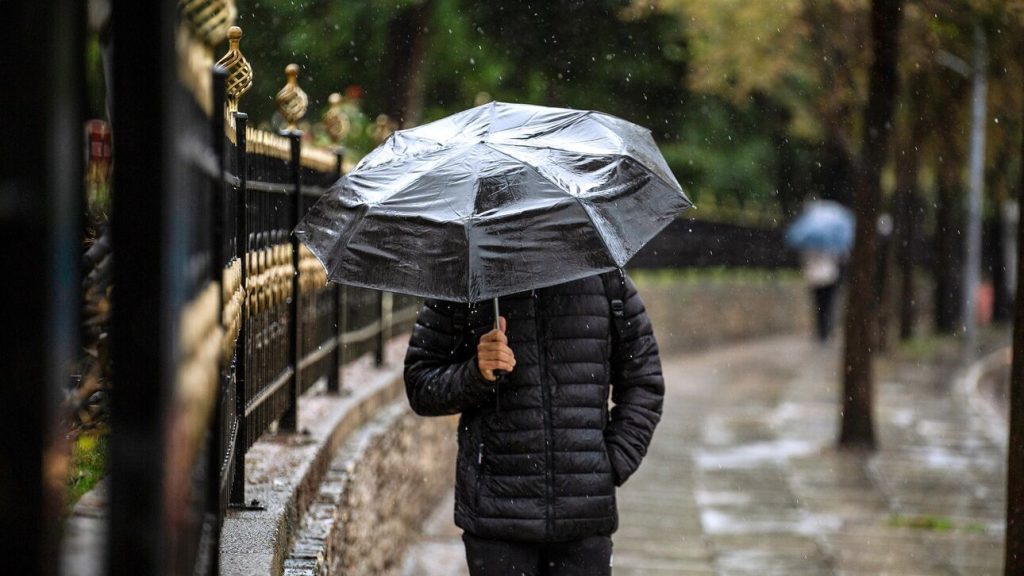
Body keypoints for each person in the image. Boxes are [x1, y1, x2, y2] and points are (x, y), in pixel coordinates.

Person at [404, 271, 664, 576]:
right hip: (497, 516)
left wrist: (611, 463)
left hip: (583, 518)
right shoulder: (466, 282)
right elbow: (420, 385)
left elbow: (644, 383)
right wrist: (477, 372)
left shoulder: (606, 279)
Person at [800, 249, 843, 342]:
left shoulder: (810, 245)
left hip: (816, 278)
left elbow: (806, 261)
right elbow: (837, 259)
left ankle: (822, 330)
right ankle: (826, 329)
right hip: (829, 277)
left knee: (820, 306)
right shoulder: (831, 245)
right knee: (827, 305)